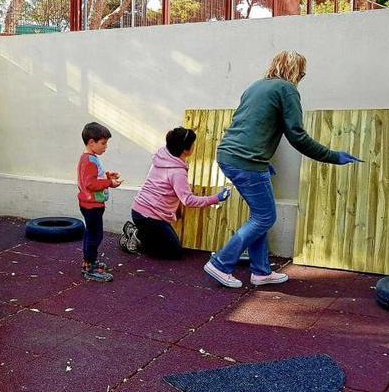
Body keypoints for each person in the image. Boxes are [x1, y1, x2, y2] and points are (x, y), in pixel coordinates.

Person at [204, 50, 361, 288]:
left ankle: (261, 272)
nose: (302, 77)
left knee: (260, 217)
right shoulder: (287, 90)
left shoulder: (255, 87)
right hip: (247, 161)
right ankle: (221, 263)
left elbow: (251, 126)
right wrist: (333, 156)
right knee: (265, 217)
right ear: (296, 71)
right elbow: (297, 136)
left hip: (229, 155)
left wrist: (263, 161)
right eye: (302, 73)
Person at [123, 127, 231, 259]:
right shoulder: (177, 172)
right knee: (173, 253)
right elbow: (188, 200)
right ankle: (137, 236)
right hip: (149, 217)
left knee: (170, 246)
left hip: (140, 210)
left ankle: (144, 233)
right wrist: (216, 198)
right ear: (186, 149)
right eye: (193, 144)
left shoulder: (163, 154)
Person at [77, 122, 123, 282]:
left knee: (90, 233)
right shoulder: (90, 160)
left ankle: (88, 262)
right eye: (103, 143)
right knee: (95, 236)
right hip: (92, 206)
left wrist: (107, 176)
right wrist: (109, 183)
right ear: (91, 142)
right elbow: (90, 184)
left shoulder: (89, 158)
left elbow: (92, 179)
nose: (106, 147)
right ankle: (89, 267)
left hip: (89, 204)